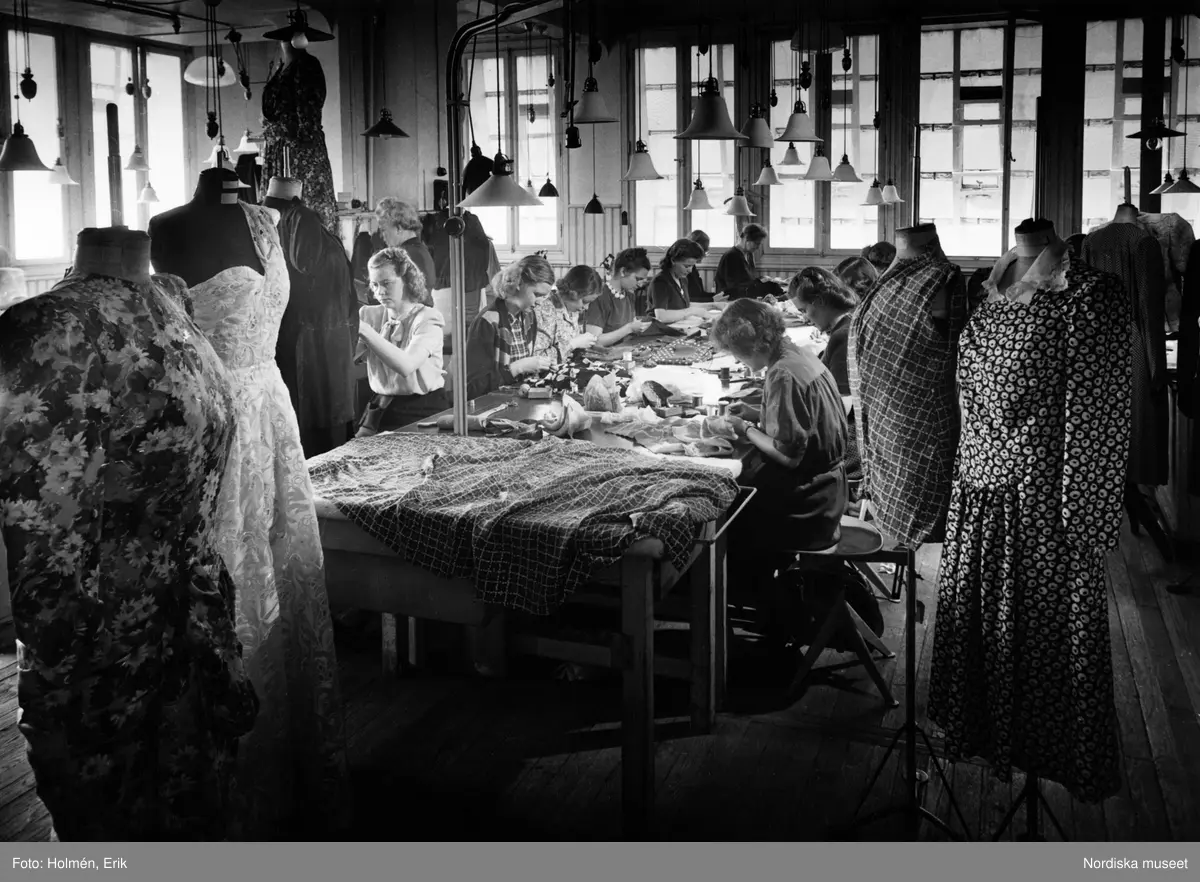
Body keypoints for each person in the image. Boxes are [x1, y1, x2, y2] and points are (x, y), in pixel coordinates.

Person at [0, 227, 259, 840]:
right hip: (107, 645)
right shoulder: (47, 328)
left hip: (189, 623)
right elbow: (47, 532)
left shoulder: (171, 299)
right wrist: (63, 669)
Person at [153, 185, 351, 839]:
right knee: (233, 561)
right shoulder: (167, 226)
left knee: (280, 561)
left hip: (269, 404)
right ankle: (242, 758)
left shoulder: (268, 220)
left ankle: (288, 752)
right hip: (222, 412)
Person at [712, 298, 849, 634]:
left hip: (810, 505)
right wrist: (758, 413)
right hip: (831, 489)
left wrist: (746, 429)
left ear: (756, 345)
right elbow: (803, 423)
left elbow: (789, 456)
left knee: (721, 521)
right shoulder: (798, 354)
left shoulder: (783, 374)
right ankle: (767, 605)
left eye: (739, 354)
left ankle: (758, 611)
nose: (738, 362)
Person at [356, 247, 449, 435]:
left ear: (406, 279)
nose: (380, 292)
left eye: (386, 283)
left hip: (421, 410)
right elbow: (346, 359)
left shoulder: (428, 318)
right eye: (374, 285)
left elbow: (406, 366)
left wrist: (364, 330)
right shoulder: (368, 315)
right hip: (380, 406)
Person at [788, 267, 862, 497]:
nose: (805, 317)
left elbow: (841, 406)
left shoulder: (843, 335)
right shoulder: (848, 323)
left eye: (804, 310)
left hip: (848, 448)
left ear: (819, 302)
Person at [259, 39, 337, 233]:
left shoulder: (307, 66)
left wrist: (294, 135)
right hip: (278, 152)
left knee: (303, 216)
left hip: (300, 151)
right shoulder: (279, 68)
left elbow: (308, 114)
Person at [465, 254, 556, 398]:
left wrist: (541, 367)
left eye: (543, 296)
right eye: (537, 294)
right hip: (491, 403)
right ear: (518, 283)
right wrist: (518, 367)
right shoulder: (487, 322)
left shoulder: (529, 317)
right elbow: (473, 387)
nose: (540, 302)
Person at [583, 247, 654, 346]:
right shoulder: (600, 297)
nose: (640, 284)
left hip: (624, 350)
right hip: (604, 354)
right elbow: (594, 341)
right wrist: (629, 328)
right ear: (623, 271)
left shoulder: (629, 295)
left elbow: (631, 325)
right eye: (638, 279)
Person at [647, 238, 727, 324]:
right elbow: (661, 316)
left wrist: (714, 305)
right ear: (673, 260)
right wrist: (691, 311)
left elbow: (685, 305)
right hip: (658, 328)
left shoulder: (682, 279)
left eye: (692, 266)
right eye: (686, 266)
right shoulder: (660, 282)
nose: (690, 270)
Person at [533, 265, 602, 362]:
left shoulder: (572, 310)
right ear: (573, 294)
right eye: (585, 302)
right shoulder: (545, 311)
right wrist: (572, 344)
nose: (586, 308)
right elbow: (538, 358)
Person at [375, 197, 436, 303]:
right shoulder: (419, 250)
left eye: (384, 230)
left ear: (398, 228)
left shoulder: (405, 254)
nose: (382, 236)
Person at [714, 223, 769, 298]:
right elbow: (733, 287)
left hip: (744, 297)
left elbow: (748, 280)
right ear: (746, 238)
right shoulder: (731, 256)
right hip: (729, 299)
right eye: (756, 243)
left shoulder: (749, 255)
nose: (758, 247)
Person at [686, 229, 716, 302]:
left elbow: (700, 294)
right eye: (704, 251)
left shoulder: (693, 268)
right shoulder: (685, 270)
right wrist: (712, 299)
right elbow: (688, 299)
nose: (704, 256)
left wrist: (716, 296)